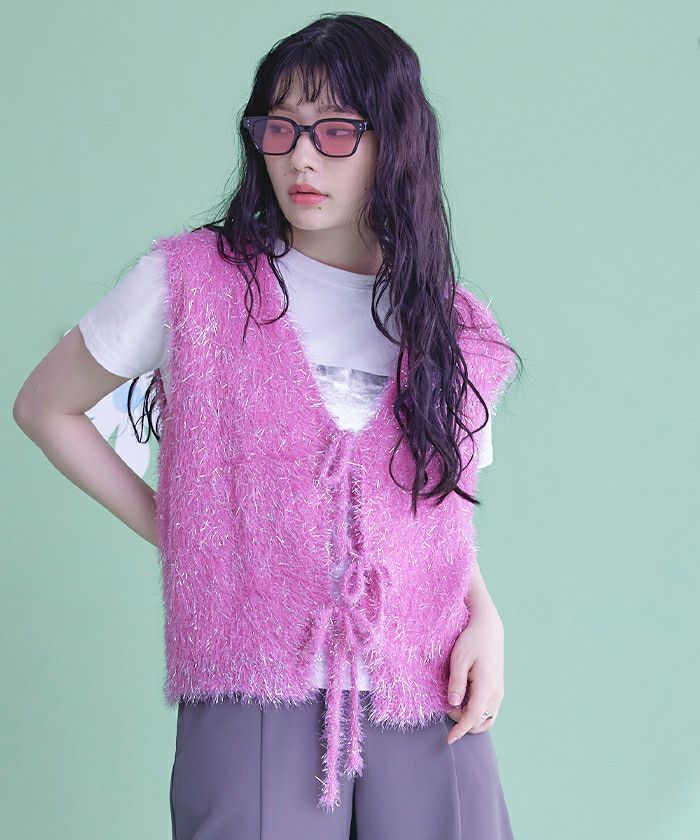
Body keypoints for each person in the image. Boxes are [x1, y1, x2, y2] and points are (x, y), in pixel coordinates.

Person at [13, 12, 522, 840]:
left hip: (426, 682)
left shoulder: (457, 326)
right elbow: (44, 407)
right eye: (279, 128)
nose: (300, 158)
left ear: (395, 142)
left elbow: (434, 520)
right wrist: (188, 534)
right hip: (254, 679)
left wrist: (486, 620)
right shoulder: (192, 282)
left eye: (335, 131)